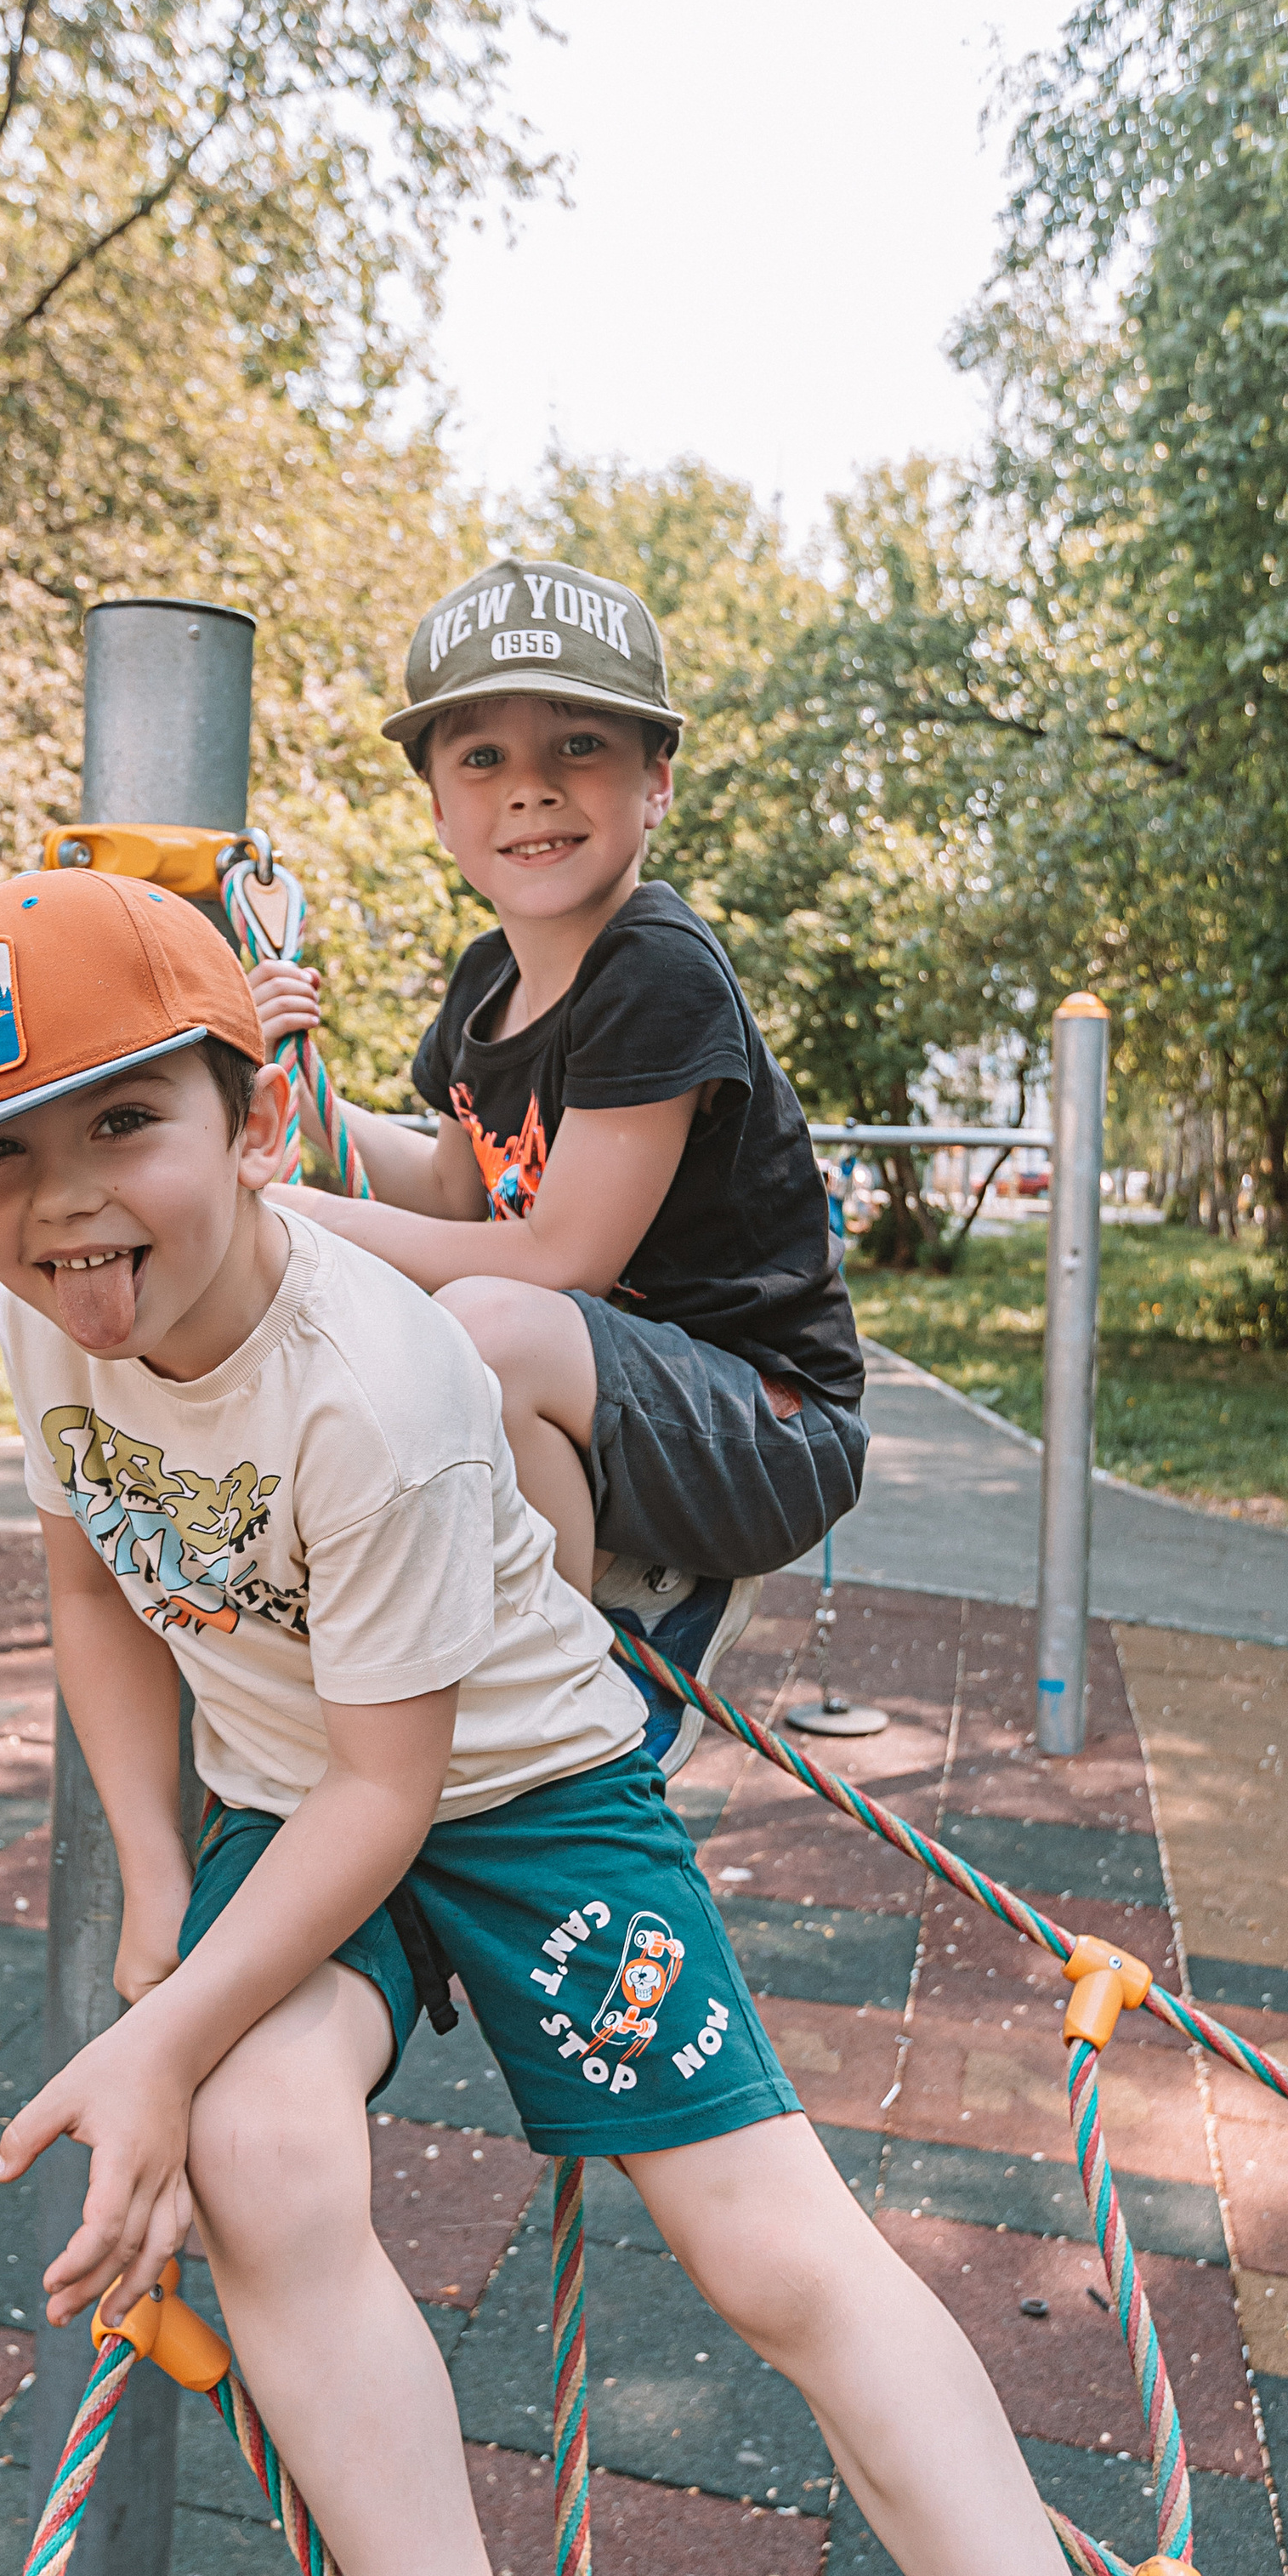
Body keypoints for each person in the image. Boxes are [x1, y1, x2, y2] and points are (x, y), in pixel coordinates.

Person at [0, 867, 1288, 2576]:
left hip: (514, 1802)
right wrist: (158, 1884)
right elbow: (91, 1587)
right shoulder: (47, 1318)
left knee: (766, 2256)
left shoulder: (382, 1384)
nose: (63, 1211)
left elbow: (392, 1797)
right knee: (256, 2153)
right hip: (286, 1799)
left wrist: (157, 2027)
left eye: (117, 1127)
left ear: (256, 1121)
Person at [247, 554, 866, 1771]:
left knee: (486, 1321)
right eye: (482, 759)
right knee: (454, 1325)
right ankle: (570, 1610)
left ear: (657, 783)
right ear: (435, 804)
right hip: (616, 1396)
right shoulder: (486, 983)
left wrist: (286, 1213)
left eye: (578, 746)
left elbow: (560, 1257)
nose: (529, 790)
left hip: (769, 1423)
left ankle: (567, 1682)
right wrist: (295, 1103)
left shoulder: (657, 971)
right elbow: (442, 1193)